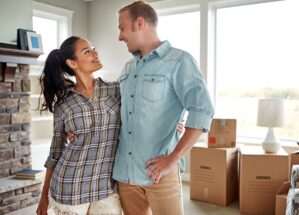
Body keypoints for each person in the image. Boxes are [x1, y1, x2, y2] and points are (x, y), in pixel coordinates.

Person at [113, 1, 215, 215]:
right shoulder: (128, 68)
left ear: (140, 23)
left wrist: (174, 158)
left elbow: (202, 110)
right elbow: (116, 110)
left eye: (122, 28)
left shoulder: (180, 61)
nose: (120, 36)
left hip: (160, 174)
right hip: (125, 174)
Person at [36, 36, 122, 215]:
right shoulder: (64, 104)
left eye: (93, 48)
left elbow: (138, 118)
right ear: (72, 63)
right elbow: (55, 152)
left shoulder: (116, 90)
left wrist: (170, 125)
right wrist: (43, 197)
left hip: (106, 188)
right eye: (87, 51)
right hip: (70, 187)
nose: (95, 53)